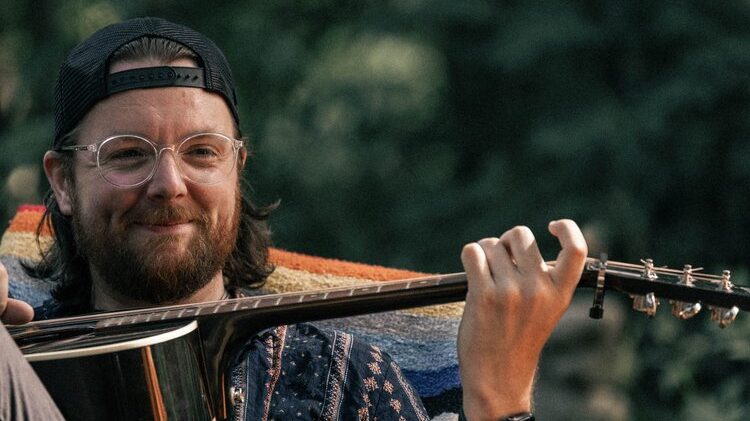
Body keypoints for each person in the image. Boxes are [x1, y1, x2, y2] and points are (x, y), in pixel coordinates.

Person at [0, 17, 587, 421]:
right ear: (62, 182)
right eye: (127, 154)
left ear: (237, 167)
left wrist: (499, 399)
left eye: (202, 152)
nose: (169, 184)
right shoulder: (18, 362)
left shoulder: (344, 379)